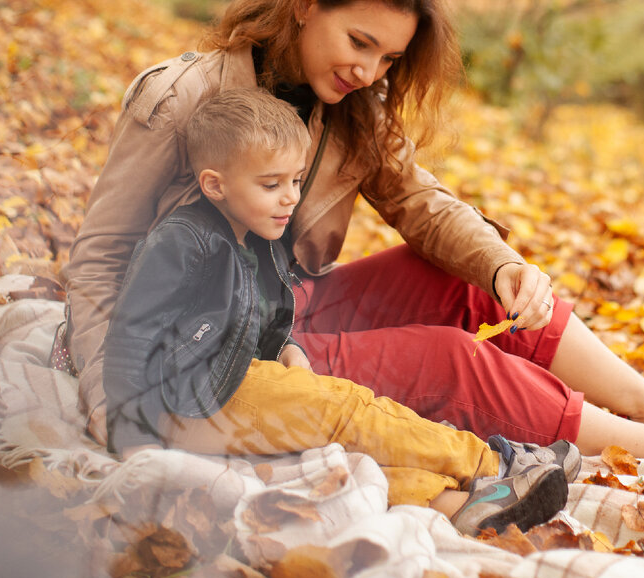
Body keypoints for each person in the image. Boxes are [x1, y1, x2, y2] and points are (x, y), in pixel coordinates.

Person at [62, 0, 644, 465]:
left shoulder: (352, 107)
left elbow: (423, 205)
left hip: (286, 304)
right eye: (359, 42)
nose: (368, 71)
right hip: (213, 341)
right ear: (305, 1)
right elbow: (98, 261)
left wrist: (502, 268)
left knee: (465, 279)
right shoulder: (185, 96)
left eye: (387, 58)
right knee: (450, 360)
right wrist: (113, 409)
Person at [102, 87, 577, 537]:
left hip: (234, 384)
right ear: (214, 185)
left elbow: (264, 315)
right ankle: (495, 463)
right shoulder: (182, 241)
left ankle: (464, 503)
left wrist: (286, 347)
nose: (290, 197)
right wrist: (129, 430)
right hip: (193, 395)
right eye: (271, 184)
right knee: (347, 410)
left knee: (336, 460)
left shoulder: (262, 240)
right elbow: (131, 336)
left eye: (295, 180)